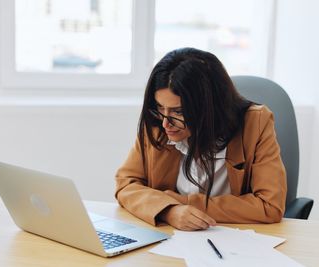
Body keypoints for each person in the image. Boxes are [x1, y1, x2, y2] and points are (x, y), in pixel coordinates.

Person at [115, 48, 286, 231]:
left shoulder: (255, 123)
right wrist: (169, 211)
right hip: (171, 237)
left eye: (178, 111)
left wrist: (187, 204)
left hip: (235, 239)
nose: (166, 123)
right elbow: (126, 184)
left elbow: (270, 206)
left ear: (209, 107)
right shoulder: (157, 124)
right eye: (160, 108)